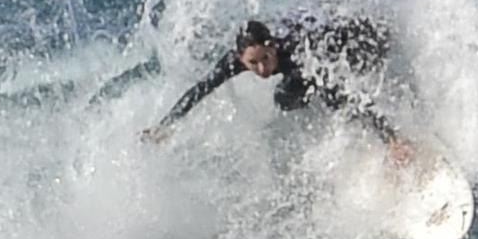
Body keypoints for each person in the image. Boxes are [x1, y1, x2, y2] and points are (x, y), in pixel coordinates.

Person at [141, 14, 414, 162]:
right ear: (240, 59)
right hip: (332, 42)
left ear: (273, 47)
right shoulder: (237, 60)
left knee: (330, 94)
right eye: (253, 63)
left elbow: (349, 94)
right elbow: (201, 89)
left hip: (363, 43)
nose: (261, 69)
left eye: (266, 60)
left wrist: (391, 137)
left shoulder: (297, 54)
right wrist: (165, 126)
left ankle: (392, 141)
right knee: (284, 99)